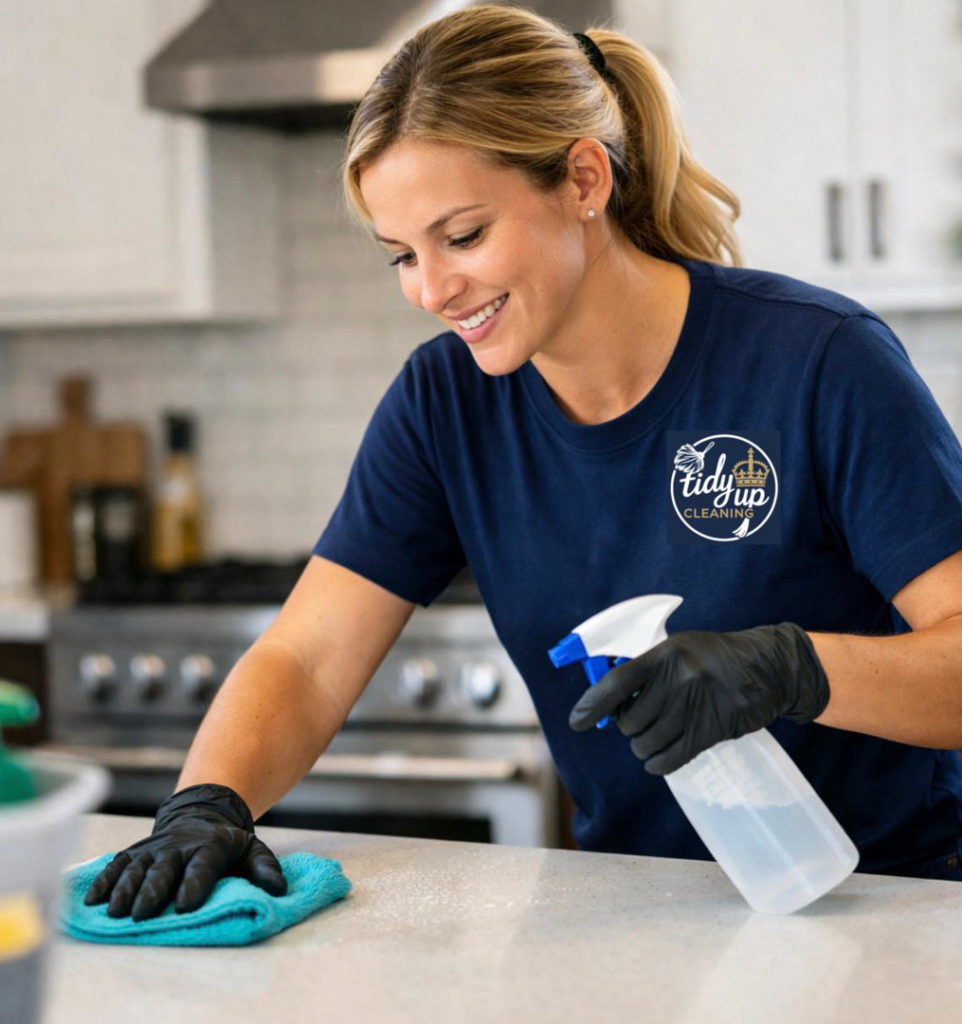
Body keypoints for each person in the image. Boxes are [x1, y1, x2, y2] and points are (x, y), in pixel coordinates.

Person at [85, 4, 962, 921]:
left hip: (892, 902)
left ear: (584, 177)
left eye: (461, 237)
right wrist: (206, 803)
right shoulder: (445, 404)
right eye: (401, 256)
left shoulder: (819, 361)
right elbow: (307, 659)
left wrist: (791, 669)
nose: (430, 290)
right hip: (638, 913)